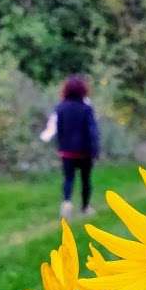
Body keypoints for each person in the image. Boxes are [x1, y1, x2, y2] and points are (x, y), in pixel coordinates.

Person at [42, 75, 100, 219]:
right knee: (86, 179)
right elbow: (92, 130)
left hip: (67, 152)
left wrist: (59, 146)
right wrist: (95, 149)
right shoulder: (86, 108)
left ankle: (67, 203)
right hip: (85, 152)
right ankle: (85, 207)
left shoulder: (60, 108)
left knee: (68, 178)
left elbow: (55, 128)